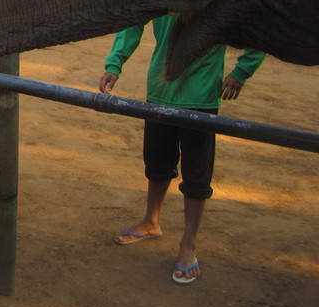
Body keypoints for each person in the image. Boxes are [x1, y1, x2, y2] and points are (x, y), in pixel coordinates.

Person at [99, 14, 265, 285]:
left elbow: (259, 26)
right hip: (159, 91)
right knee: (156, 163)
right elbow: (134, 21)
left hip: (200, 96)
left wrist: (242, 71)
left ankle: (188, 243)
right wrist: (114, 63)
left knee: (196, 174)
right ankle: (151, 221)